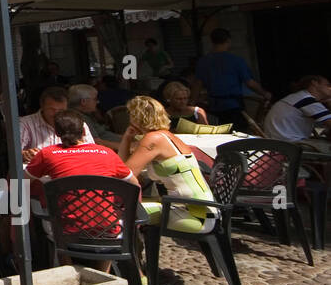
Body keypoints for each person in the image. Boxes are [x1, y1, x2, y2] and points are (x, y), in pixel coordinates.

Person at [26, 111, 136, 239]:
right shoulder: (108, 153)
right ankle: (104, 259)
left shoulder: (47, 154)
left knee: (45, 213)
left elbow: (22, 181)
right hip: (108, 230)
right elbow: (134, 184)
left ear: (56, 133)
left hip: (66, 231)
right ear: (84, 131)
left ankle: (65, 259)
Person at [121, 97, 216, 235]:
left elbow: (125, 174)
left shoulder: (153, 139)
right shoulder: (167, 136)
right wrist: (127, 138)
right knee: (132, 208)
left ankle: (125, 255)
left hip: (192, 214)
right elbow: (124, 168)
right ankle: (136, 254)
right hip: (203, 209)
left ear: (136, 117)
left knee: (119, 213)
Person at [192, 28, 271, 127]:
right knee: (239, 135)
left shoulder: (203, 62)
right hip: (234, 106)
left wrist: (192, 104)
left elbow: (197, 85)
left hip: (214, 106)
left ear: (212, 41)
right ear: (228, 41)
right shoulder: (236, 61)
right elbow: (249, 83)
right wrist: (265, 93)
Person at [20, 86, 95, 162]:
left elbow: (91, 151)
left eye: (61, 110)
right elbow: (15, 152)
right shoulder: (26, 123)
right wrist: (25, 154)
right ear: (42, 106)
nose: (56, 114)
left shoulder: (78, 124)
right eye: (52, 109)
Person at [263, 75, 331, 142]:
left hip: (278, 141)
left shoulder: (298, 97)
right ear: (314, 83)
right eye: (328, 85)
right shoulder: (306, 100)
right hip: (289, 144)